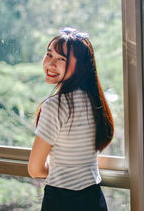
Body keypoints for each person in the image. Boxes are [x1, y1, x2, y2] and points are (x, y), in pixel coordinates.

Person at [28, 27, 114, 211]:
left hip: (61, 201)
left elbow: (35, 169)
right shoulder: (95, 101)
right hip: (94, 199)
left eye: (61, 59)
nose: (50, 64)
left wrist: (60, 171)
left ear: (80, 66)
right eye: (49, 55)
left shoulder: (55, 106)